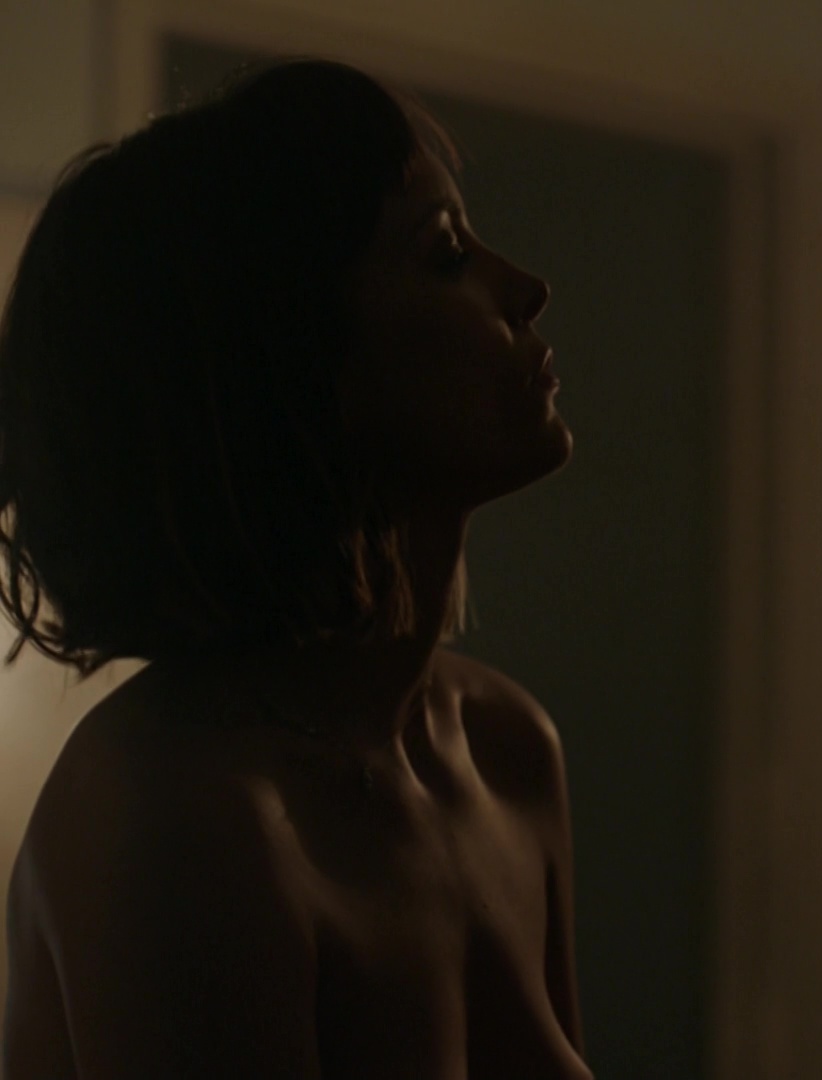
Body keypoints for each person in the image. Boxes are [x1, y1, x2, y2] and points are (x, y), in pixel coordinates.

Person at [0, 60, 589, 1078]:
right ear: (291, 362)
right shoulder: (177, 812)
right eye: (445, 254)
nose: (527, 290)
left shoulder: (506, 749)